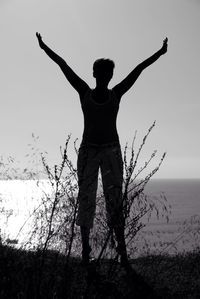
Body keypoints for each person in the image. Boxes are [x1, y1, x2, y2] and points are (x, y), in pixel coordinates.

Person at [36, 32, 168, 267]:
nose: (106, 76)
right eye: (102, 72)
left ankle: (122, 251)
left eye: (109, 73)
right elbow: (63, 65)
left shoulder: (116, 93)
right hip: (89, 150)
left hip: (110, 151)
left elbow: (139, 69)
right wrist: (44, 48)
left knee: (114, 198)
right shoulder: (84, 92)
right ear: (95, 73)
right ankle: (86, 252)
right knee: (86, 197)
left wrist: (159, 52)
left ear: (110, 75)